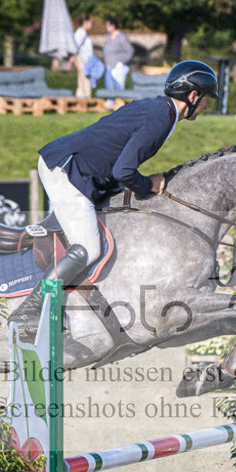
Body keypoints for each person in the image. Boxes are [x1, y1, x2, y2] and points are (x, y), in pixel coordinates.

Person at [18, 61, 220, 318]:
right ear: (192, 96)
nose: (206, 105)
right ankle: (30, 309)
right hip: (68, 170)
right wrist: (148, 185)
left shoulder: (161, 111)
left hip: (78, 167)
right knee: (88, 248)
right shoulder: (160, 118)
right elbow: (123, 171)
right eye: (207, 98)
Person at [70, 15, 104, 88]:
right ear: (85, 22)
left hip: (85, 61)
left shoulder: (82, 32)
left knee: (84, 83)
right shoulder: (81, 32)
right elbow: (76, 46)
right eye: (90, 22)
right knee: (85, 84)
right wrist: (72, 58)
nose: (92, 24)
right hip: (83, 60)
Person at [102, 18, 133, 91]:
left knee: (119, 90)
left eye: (108, 25)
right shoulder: (109, 36)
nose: (106, 27)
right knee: (109, 90)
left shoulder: (121, 37)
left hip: (118, 67)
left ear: (113, 26)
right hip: (108, 67)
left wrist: (122, 61)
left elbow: (130, 51)